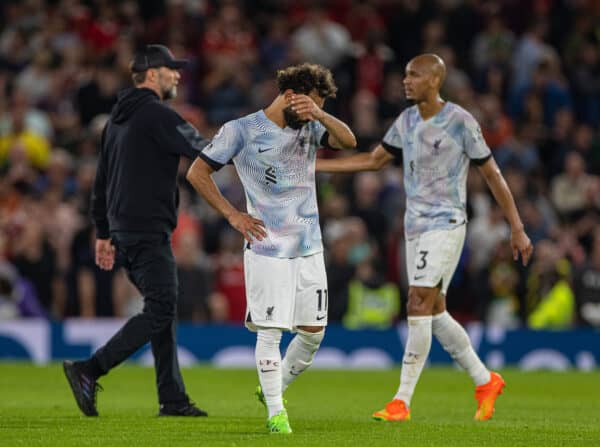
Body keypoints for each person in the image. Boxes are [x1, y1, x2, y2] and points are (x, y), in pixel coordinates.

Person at [316, 54, 534, 421]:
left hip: (446, 223)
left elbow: (493, 175)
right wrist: (317, 165)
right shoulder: (406, 121)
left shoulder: (460, 122)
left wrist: (517, 226)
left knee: (417, 301)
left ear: (435, 80)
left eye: (414, 75)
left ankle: (401, 401)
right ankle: (485, 380)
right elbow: (373, 161)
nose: (406, 81)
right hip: (414, 227)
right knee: (433, 311)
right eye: (405, 75)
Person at [186, 63, 356, 433]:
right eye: (310, 103)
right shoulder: (242, 130)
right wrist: (233, 215)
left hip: (310, 246)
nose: (313, 112)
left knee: (313, 333)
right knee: (271, 331)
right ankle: (277, 415)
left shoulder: (311, 126)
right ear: (291, 95)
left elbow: (349, 141)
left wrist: (320, 113)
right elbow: (197, 172)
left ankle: (273, 389)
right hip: (267, 247)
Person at [63, 45, 209, 417]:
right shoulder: (160, 116)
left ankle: (172, 398)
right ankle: (89, 369)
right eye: (171, 69)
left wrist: (102, 233)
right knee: (161, 308)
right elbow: (206, 150)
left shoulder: (116, 119)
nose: (177, 75)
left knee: (161, 308)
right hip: (148, 231)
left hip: (124, 231)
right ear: (150, 73)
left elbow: (101, 180)